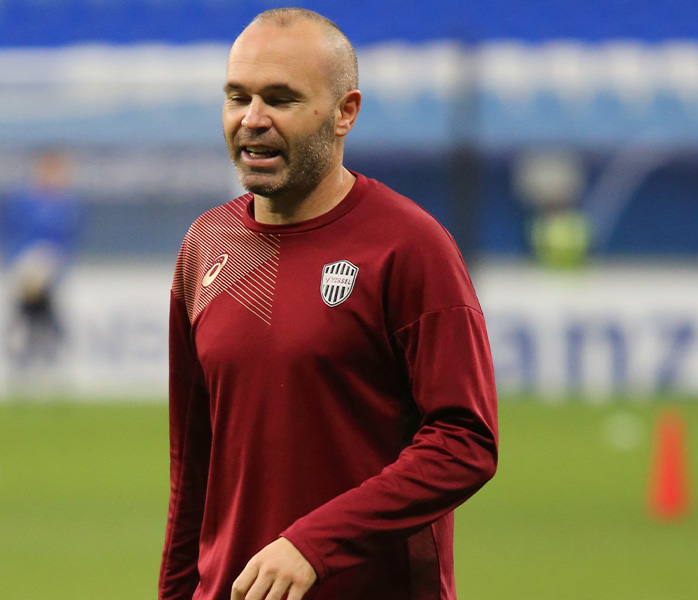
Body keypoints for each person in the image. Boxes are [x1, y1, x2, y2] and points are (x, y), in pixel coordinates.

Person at [161, 8, 498, 600]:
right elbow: (193, 469)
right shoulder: (207, 244)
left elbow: (464, 441)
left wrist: (314, 545)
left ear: (346, 112)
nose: (252, 119)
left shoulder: (409, 247)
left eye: (280, 99)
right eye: (237, 97)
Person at [0, 149, 83, 388]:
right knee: (24, 319)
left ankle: (47, 364)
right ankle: (22, 366)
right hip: (20, 270)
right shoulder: (20, 200)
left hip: (50, 274)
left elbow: (67, 243)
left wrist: (52, 264)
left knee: (46, 320)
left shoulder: (67, 205)